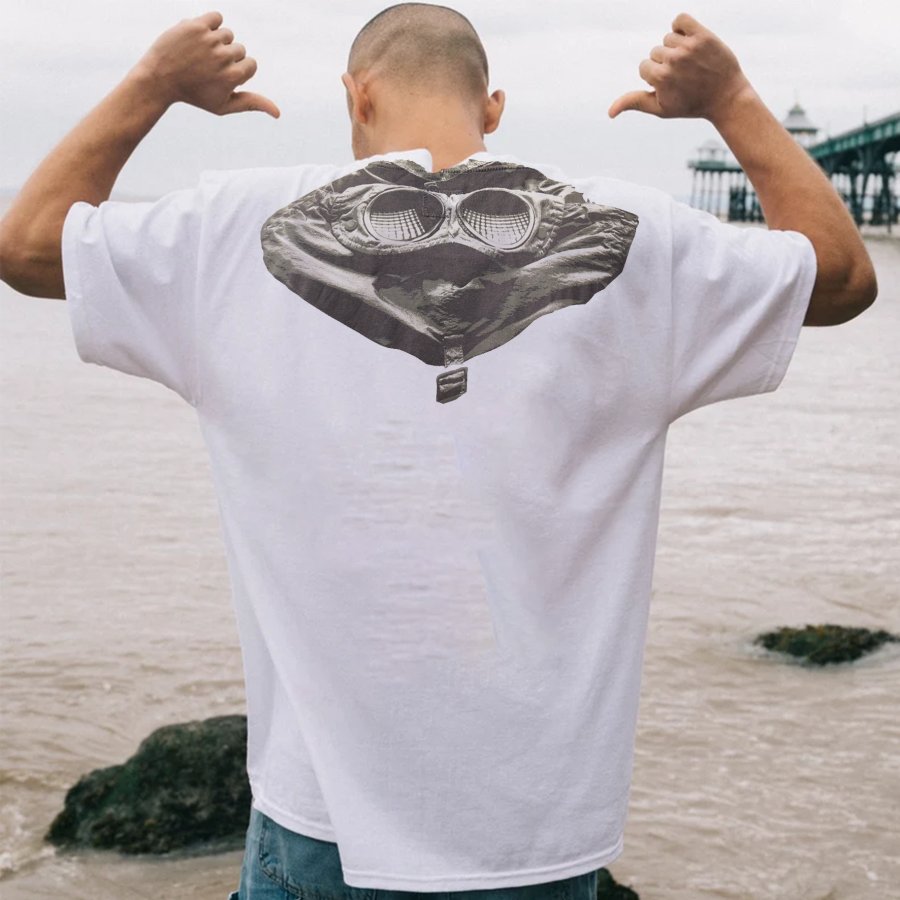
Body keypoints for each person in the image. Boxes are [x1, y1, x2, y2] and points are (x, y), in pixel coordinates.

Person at [0, 3, 878, 899]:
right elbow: (842, 276)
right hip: (537, 831)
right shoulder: (637, 234)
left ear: (357, 96)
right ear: (492, 108)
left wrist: (156, 83)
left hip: (322, 825)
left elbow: (28, 245)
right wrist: (728, 97)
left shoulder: (230, 229)